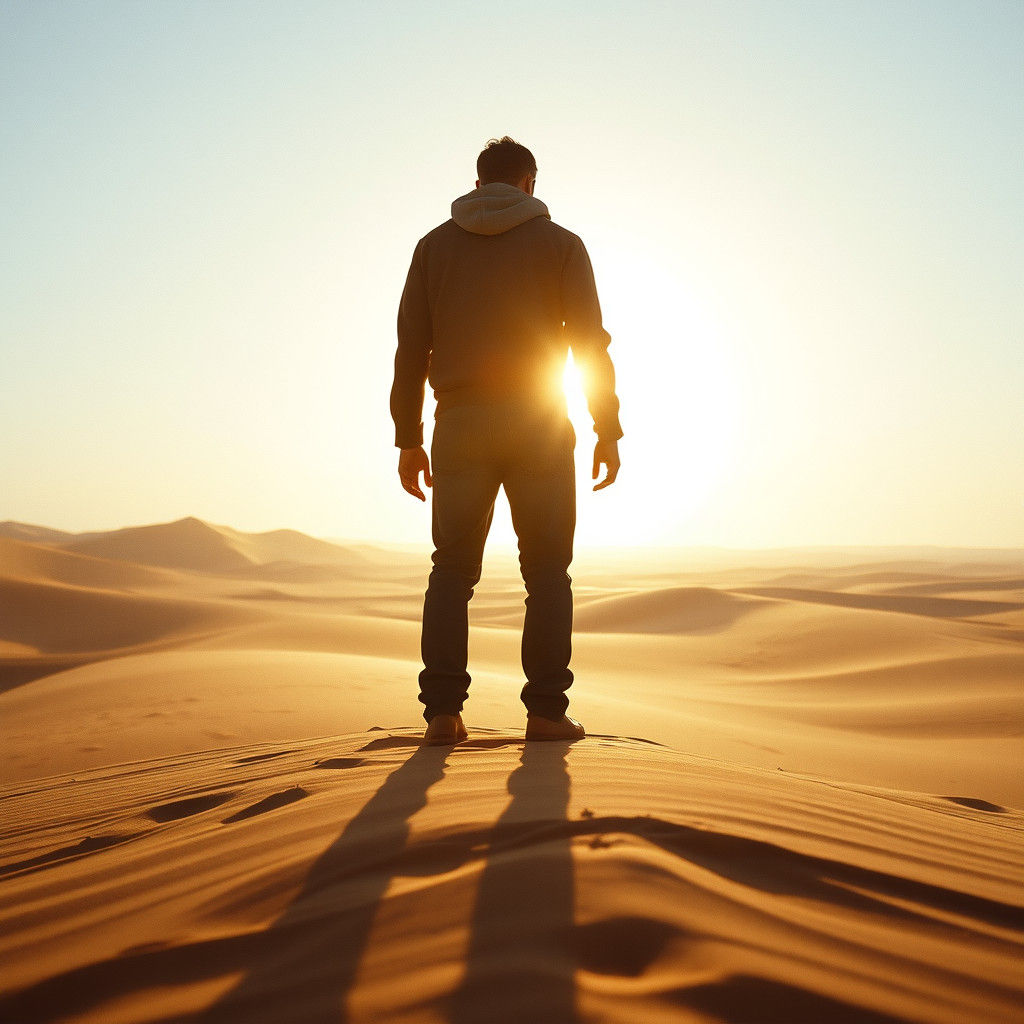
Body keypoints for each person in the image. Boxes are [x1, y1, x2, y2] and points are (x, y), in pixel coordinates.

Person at [391, 136, 622, 746]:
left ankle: (443, 712)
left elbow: (411, 349)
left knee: (451, 571)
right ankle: (546, 712)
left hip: (459, 422)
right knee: (547, 573)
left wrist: (408, 439)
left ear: (477, 183)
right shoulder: (562, 245)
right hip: (540, 421)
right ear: (528, 185)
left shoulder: (433, 247)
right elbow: (589, 346)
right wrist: (607, 428)